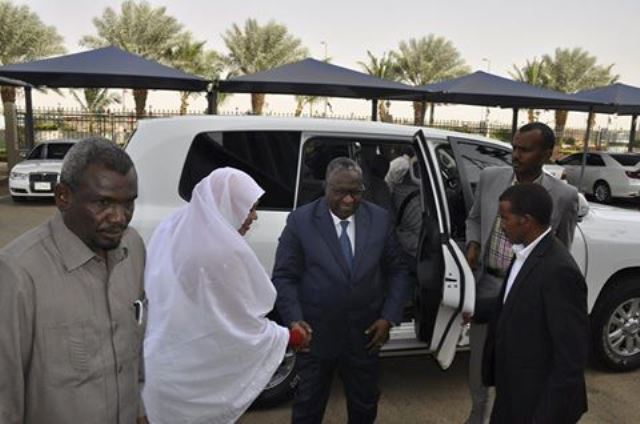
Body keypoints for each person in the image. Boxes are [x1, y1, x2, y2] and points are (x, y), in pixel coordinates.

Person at [142, 168, 306, 424]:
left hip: (163, 363)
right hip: (195, 382)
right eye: (250, 208)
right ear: (228, 205)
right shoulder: (223, 251)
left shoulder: (173, 225)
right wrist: (287, 337)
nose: (254, 217)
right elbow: (237, 326)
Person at [0, 138, 146, 423]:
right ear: (63, 197)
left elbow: (132, 348)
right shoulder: (17, 273)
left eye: (129, 203)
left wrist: (138, 410)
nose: (119, 218)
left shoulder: (133, 248)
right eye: (104, 203)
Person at [273, 157, 411, 424]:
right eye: (340, 192)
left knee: (364, 406)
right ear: (326, 186)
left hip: (365, 336)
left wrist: (389, 317)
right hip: (315, 336)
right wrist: (294, 319)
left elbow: (398, 271)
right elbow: (284, 276)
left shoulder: (379, 219)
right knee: (308, 407)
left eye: (355, 192)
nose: (348, 199)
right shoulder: (301, 221)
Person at [464, 122, 579, 424]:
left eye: (524, 150)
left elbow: (560, 245)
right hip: (488, 285)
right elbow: (474, 218)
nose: (515, 155)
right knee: (481, 363)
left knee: (519, 364)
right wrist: (473, 245)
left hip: (528, 293)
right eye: (514, 147)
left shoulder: (564, 195)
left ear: (547, 153)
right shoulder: (490, 177)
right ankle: (478, 415)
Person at [482, 183, 589, 423]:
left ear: (526, 221)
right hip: (512, 392)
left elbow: (571, 357)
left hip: (537, 404)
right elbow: (515, 302)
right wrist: (472, 308)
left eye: (505, 218)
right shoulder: (526, 251)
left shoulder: (559, 272)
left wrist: (546, 417)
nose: (500, 226)